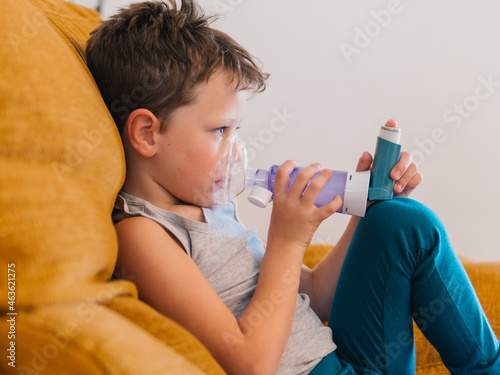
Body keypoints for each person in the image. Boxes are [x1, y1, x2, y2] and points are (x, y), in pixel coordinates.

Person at [85, 1, 500, 374]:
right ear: (147, 133)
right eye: (219, 130)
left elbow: (317, 297)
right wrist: (286, 241)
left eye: (237, 129)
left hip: (344, 360)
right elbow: (250, 364)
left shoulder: (211, 209)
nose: (236, 149)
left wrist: (368, 207)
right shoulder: (143, 234)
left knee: (400, 221)